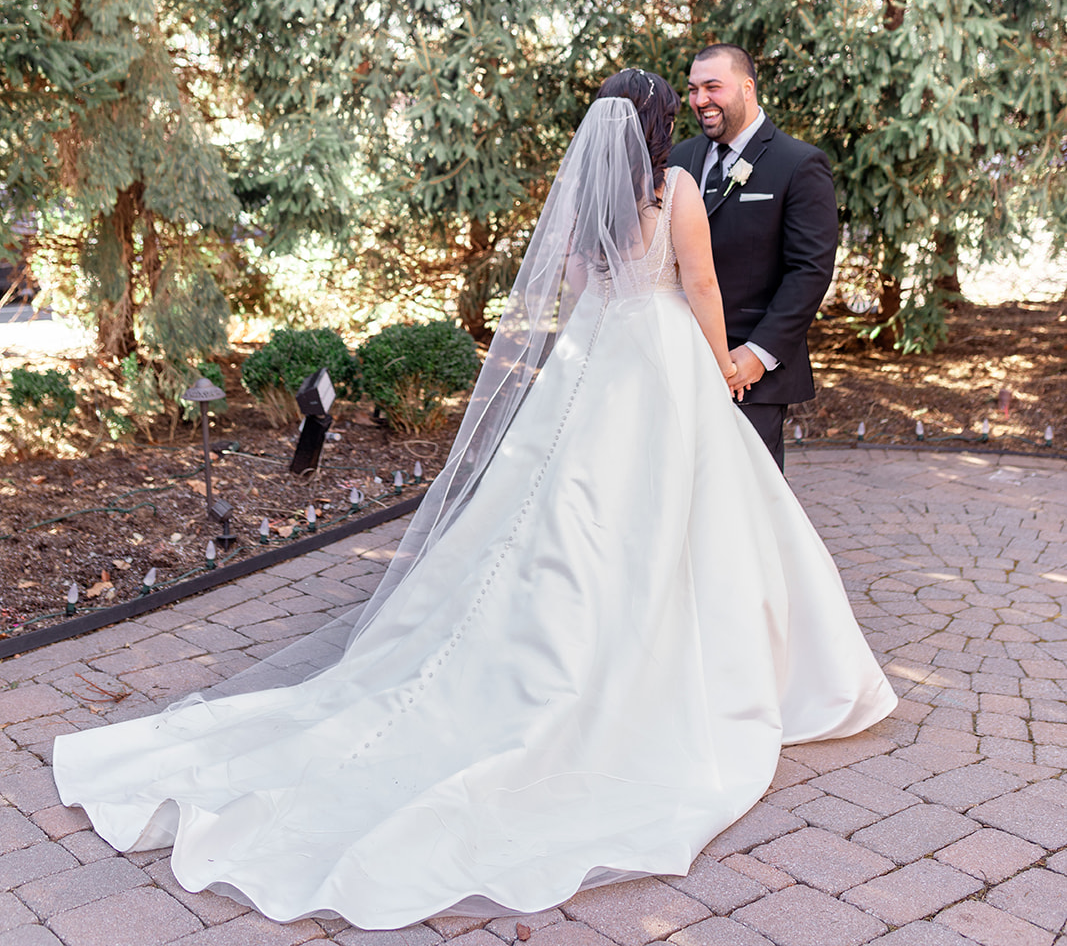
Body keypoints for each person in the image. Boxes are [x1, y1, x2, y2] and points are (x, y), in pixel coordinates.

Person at [52, 70, 894, 929]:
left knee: (560, 513)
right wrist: (720, 368)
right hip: (667, 356)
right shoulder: (673, 186)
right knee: (676, 514)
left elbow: (573, 285)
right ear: (658, 125)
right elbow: (704, 286)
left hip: (598, 358)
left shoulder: (599, 197)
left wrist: (601, 331)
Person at [668, 45, 838, 470]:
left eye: (712, 87)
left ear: (747, 88)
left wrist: (757, 354)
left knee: (748, 503)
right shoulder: (678, 159)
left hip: (751, 376)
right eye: (692, 89)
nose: (700, 100)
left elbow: (810, 270)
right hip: (677, 360)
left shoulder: (799, 163)